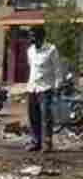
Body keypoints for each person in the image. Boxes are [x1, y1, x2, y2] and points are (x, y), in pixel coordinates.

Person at [24, 26, 63, 154]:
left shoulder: (51, 49)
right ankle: (36, 141)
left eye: (33, 36)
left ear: (40, 36)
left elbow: (57, 69)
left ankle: (47, 143)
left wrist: (57, 86)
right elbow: (31, 67)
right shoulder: (30, 50)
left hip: (45, 88)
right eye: (30, 36)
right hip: (32, 88)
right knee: (33, 116)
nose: (31, 38)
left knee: (46, 116)